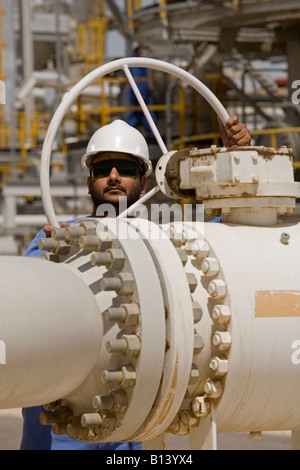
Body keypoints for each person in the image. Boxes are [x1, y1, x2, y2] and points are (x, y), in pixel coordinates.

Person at [20, 116, 251, 450]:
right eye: (103, 169)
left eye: (124, 168)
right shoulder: (53, 242)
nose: (113, 177)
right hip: (64, 423)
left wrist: (237, 164)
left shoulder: (164, 242)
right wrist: (49, 267)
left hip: (133, 421)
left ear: (143, 183)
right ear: (89, 182)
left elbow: (227, 230)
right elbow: (23, 311)